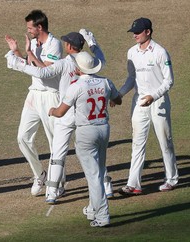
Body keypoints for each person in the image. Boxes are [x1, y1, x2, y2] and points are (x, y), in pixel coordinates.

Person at [6, 30, 114, 204]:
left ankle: (52, 192)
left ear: (69, 46)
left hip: (65, 112)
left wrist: (17, 63)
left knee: (57, 153)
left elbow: (42, 74)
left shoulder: (64, 63)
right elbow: (101, 58)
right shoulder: (89, 62)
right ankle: (107, 187)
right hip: (84, 113)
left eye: (66, 43)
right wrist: (92, 41)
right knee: (93, 152)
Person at [49, 51, 122, 227]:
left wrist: (51, 110)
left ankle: (102, 215)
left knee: (94, 176)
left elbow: (60, 112)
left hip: (86, 132)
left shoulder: (76, 86)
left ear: (79, 68)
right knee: (99, 169)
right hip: (104, 129)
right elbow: (118, 100)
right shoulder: (105, 82)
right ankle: (92, 209)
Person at [116, 17, 178, 195]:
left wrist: (154, 95)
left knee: (164, 141)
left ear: (148, 32)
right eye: (133, 32)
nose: (134, 35)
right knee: (137, 143)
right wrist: (119, 94)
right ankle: (134, 184)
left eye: (138, 32)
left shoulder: (160, 52)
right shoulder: (131, 52)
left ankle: (171, 179)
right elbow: (131, 78)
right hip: (140, 101)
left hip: (159, 101)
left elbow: (169, 81)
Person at [5, 9, 63, 196]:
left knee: (55, 142)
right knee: (22, 138)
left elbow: (45, 69)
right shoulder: (35, 43)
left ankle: (58, 184)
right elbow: (30, 64)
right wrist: (18, 52)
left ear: (40, 27)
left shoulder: (55, 44)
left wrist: (28, 52)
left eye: (30, 27)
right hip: (34, 95)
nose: (28, 30)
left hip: (50, 96)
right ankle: (40, 175)